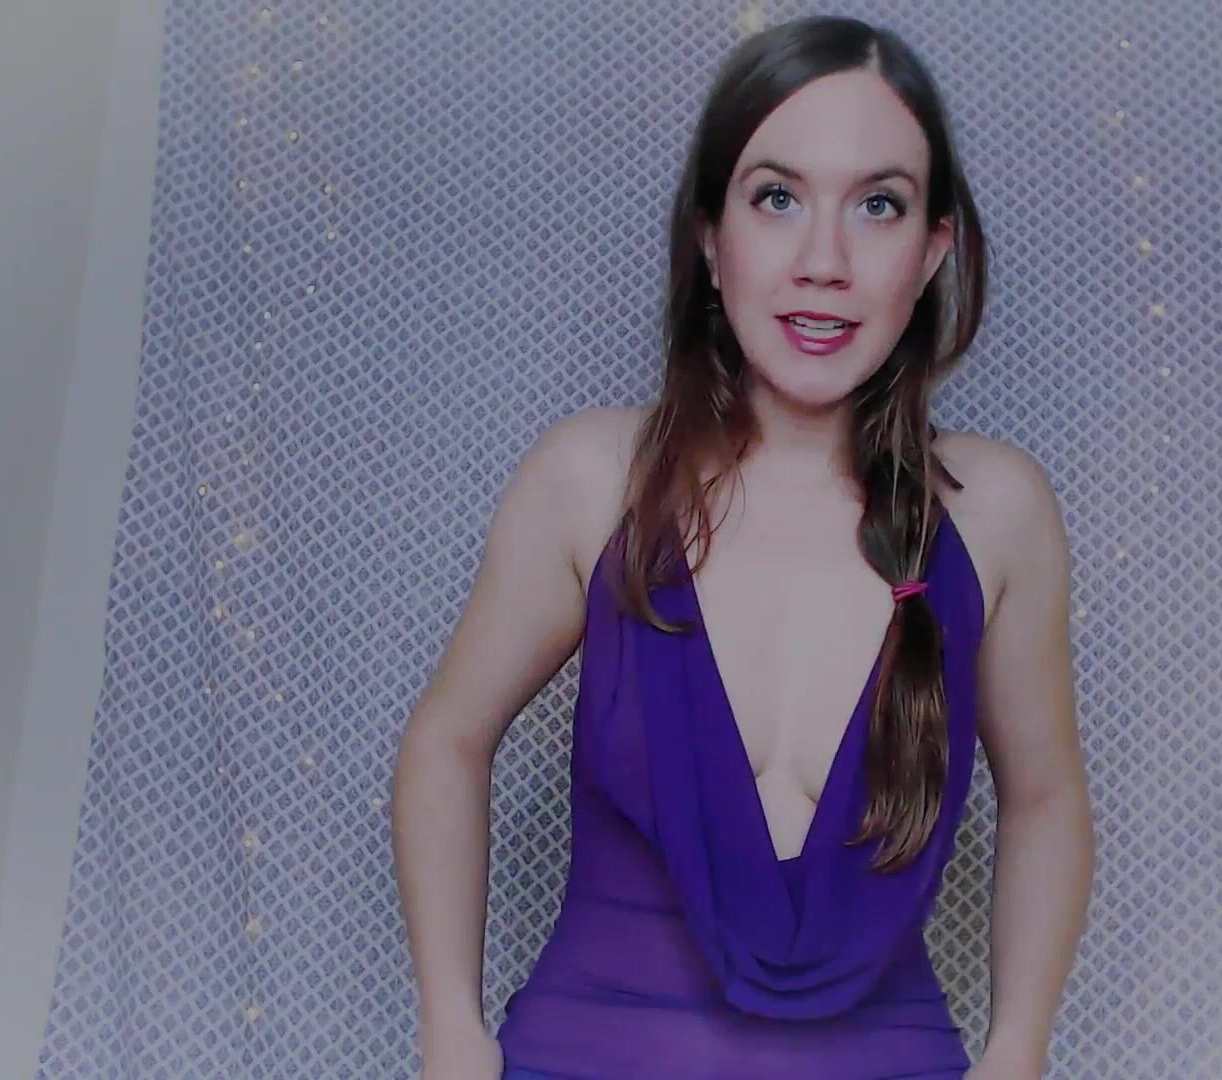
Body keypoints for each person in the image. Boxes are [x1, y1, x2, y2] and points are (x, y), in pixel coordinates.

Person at [392, 15, 1092, 1079]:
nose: (824, 262)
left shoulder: (998, 511)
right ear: (712, 241)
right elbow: (447, 739)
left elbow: (1045, 797)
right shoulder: (591, 479)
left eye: (878, 205)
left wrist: (1017, 1052)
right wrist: (451, 1031)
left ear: (932, 250)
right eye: (777, 198)